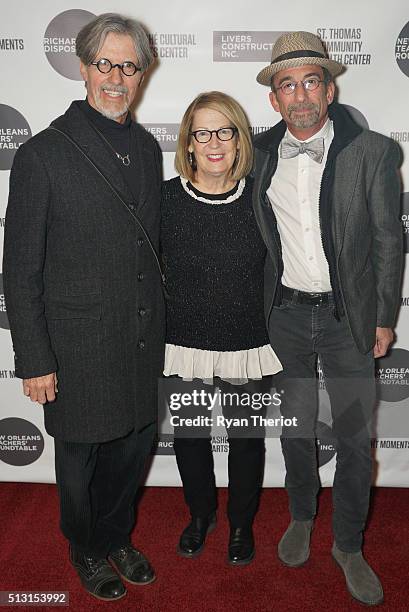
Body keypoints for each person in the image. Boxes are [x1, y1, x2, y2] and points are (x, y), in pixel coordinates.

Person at [3, 13, 165, 602]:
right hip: (77, 347)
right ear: (83, 68)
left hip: (142, 341)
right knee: (79, 462)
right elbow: (20, 268)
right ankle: (85, 546)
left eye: (130, 66)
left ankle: (117, 534)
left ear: (142, 73)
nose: (118, 78)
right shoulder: (44, 154)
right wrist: (34, 359)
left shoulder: (148, 149)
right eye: (106, 65)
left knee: (130, 453)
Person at [253, 31, 402, 605]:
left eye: (310, 81)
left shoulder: (375, 152)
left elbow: (390, 241)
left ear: (330, 87)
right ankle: (299, 514)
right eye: (287, 85)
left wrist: (384, 316)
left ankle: (347, 542)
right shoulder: (258, 154)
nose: (300, 95)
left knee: (354, 439)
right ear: (274, 99)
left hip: (349, 322)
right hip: (285, 317)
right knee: (295, 430)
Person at [161, 91, 282, 566]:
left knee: (246, 442)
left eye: (225, 131)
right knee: (190, 439)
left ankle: (240, 525)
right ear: (189, 143)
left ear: (239, 141)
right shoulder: (165, 198)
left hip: (247, 343)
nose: (214, 142)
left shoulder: (260, 198)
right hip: (183, 343)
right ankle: (200, 516)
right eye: (202, 132)